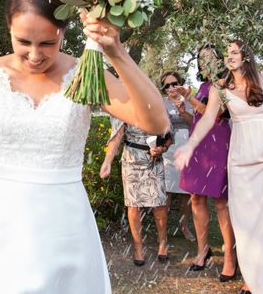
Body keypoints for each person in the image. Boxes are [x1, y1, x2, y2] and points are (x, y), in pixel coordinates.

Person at [0, 0, 169, 293]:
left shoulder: (85, 75)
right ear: (8, 25)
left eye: (48, 43)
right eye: (23, 41)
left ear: (64, 31)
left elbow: (156, 122)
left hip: (65, 233)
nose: (35, 55)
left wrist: (115, 51)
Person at [176, 40, 263, 294]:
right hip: (241, 160)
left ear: (246, 55)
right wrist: (190, 146)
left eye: (235, 52)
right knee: (246, 223)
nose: (230, 56)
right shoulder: (220, 88)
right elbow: (208, 118)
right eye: (227, 53)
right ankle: (255, 280)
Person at [175, 45, 237, 281]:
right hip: (199, 145)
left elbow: (215, 115)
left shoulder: (224, 85)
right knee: (196, 198)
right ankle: (203, 250)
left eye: (209, 58)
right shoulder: (202, 86)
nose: (205, 62)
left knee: (221, 202)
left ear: (220, 60)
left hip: (219, 146)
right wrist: (184, 111)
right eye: (201, 59)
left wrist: (187, 97)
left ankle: (229, 256)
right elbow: (198, 119)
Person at [100, 116, 172, 265]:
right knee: (133, 205)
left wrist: (162, 148)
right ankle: (138, 247)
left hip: (153, 160)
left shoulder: (154, 103)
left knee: (159, 203)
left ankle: (163, 243)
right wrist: (107, 161)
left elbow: (169, 136)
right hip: (131, 161)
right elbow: (117, 135)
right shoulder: (126, 108)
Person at [159, 71, 195, 243]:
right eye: (167, 85)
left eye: (174, 84)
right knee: (166, 191)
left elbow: (193, 123)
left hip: (187, 147)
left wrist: (183, 113)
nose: (171, 88)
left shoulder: (189, 100)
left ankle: (184, 225)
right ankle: (163, 229)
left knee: (186, 192)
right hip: (168, 147)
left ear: (180, 83)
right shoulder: (161, 103)